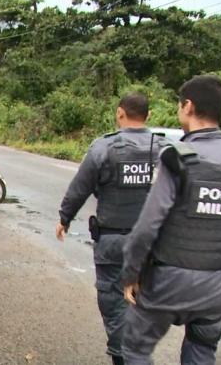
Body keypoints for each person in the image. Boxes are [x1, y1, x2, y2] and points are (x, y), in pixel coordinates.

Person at [121, 75, 221, 364]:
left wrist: (131, 274)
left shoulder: (178, 158)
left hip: (168, 282)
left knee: (136, 349)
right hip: (218, 287)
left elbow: (146, 228)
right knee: (203, 349)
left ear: (188, 106)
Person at [55, 93, 166, 365]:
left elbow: (79, 188)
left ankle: (125, 357)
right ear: (149, 116)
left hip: (114, 242)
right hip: (155, 243)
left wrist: (64, 218)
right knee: (147, 303)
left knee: (115, 305)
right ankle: (139, 352)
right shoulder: (166, 149)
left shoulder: (103, 148)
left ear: (119, 113)